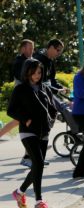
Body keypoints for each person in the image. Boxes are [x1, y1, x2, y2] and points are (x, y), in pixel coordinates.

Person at [7, 58, 57, 208]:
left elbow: (53, 109)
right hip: (28, 132)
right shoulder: (20, 89)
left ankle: (20, 192)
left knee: (38, 166)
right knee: (39, 163)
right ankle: (39, 201)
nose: (37, 75)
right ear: (27, 72)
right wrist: (26, 119)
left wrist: (50, 122)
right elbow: (11, 110)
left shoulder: (45, 89)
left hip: (44, 132)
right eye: (34, 72)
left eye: (39, 72)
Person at [3, 39, 35, 167]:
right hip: (22, 97)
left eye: (32, 48)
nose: (31, 50)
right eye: (29, 48)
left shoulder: (31, 61)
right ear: (22, 48)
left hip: (29, 96)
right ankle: (30, 155)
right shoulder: (19, 61)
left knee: (19, 122)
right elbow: (21, 77)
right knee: (27, 123)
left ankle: (32, 154)